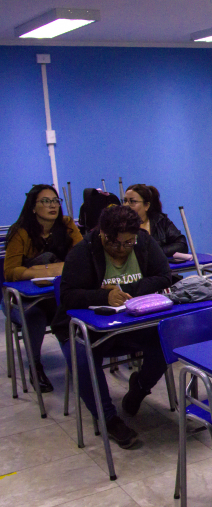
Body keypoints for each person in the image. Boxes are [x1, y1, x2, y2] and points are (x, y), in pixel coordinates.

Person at [51, 205, 172, 449]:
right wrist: (102, 297)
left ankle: (138, 389)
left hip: (131, 324)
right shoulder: (84, 251)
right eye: (114, 243)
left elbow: (164, 276)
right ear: (102, 234)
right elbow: (67, 295)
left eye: (128, 243)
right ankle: (108, 418)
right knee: (82, 356)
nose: (121, 249)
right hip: (87, 329)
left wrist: (129, 292)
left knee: (167, 341)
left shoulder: (144, 242)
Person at [3, 185, 83, 393]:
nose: (52, 206)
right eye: (45, 201)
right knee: (34, 314)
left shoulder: (67, 225)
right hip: (19, 299)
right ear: (33, 207)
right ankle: (35, 366)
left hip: (54, 295)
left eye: (55, 201)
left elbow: (82, 259)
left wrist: (53, 268)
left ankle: (82, 362)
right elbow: (10, 272)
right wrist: (45, 270)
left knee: (77, 305)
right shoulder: (20, 232)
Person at [123, 184, 188, 257]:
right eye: (125, 201)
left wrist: (154, 253)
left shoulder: (161, 221)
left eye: (132, 201)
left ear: (146, 206)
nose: (126, 205)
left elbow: (182, 245)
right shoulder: (120, 225)